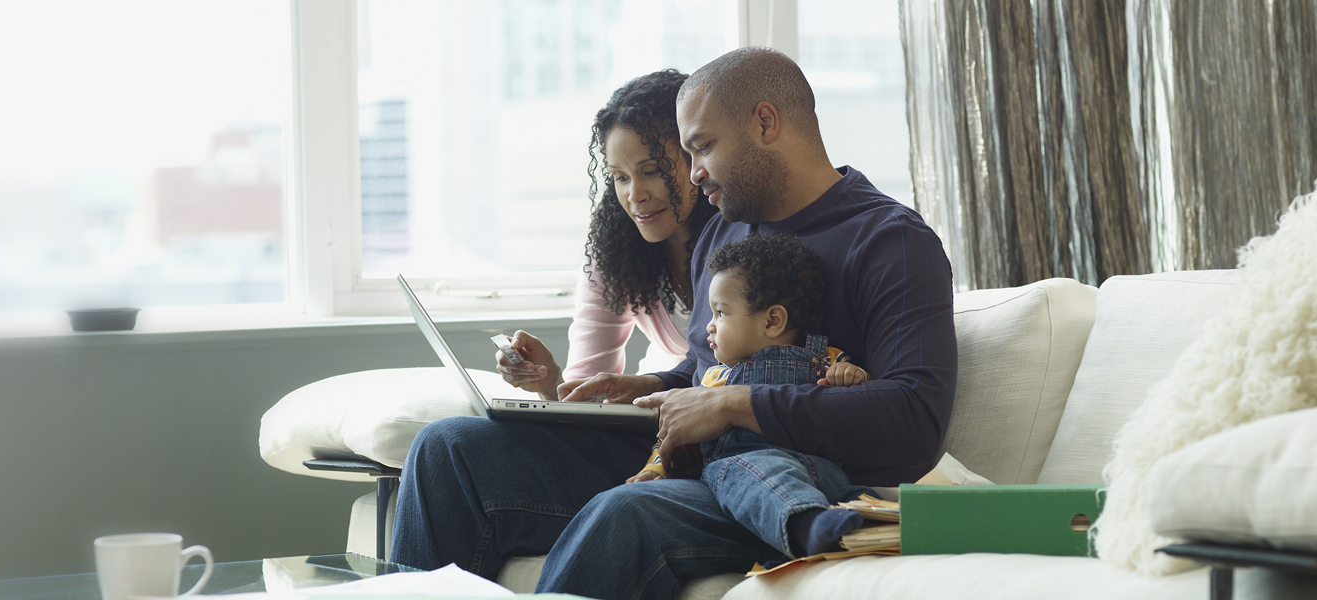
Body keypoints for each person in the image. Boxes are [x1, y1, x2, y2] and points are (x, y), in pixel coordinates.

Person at [392, 46, 957, 600]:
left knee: (627, 512)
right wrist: (651, 385)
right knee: (448, 449)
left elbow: (915, 421)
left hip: (791, 481)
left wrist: (732, 407)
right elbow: (707, 369)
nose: (694, 174)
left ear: (765, 123)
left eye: (702, 147)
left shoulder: (890, 241)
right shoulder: (724, 232)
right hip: (688, 460)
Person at [627, 233, 875, 561]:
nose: (708, 328)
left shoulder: (825, 358)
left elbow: (863, 401)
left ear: (773, 321)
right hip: (749, 473)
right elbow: (678, 437)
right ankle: (814, 527)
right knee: (735, 473)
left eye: (721, 313)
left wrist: (852, 376)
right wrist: (657, 470)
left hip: (817, 469)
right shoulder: (715, 379)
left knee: (736, 472)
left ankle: (840, 523)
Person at [495, 69, 717, 401]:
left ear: (696, 158)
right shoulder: (617, 249)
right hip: (652, 412)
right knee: (447, 437)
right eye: (621, 177)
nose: (635, 195)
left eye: (652, 171)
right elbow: (583, 394)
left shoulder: (737, 234)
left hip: (691, 407)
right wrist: (548, 378)